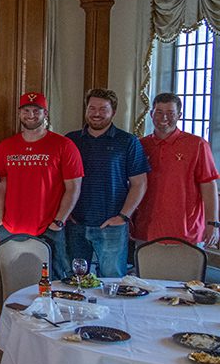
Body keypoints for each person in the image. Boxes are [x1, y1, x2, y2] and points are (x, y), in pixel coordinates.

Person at [0, 93, 84, 280]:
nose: (31, 115)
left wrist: (59, 221)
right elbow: (2, 185)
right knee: (14, 280)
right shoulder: (6, 146)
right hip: (11, 228)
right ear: (19, 113)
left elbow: (73, 188)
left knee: (57, 282)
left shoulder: (64, 145)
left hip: (49, 229)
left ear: (46, 113)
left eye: (37, 111)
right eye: (26, 110)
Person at [65, 89, 149, 277]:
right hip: (75, 225)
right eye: (92, 108)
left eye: (103, 109)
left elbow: (139, 183)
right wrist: (65, 213)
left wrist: (123, 216)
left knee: (112, 284)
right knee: (74, 283)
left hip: (112, 226)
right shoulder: (70, 140)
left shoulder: (128, 141)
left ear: (113, 112)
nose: (96, 113)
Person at [133, 92, 219, 247]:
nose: (164, 118)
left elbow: (208, 185)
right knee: (146, 272)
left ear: (179, 115)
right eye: (159, 112)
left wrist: (213, 223)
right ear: (151, 114)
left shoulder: (197, 145)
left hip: (187, 232)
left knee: (188, 272)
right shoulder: (140, 146)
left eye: (170, 113)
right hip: (147, 230)